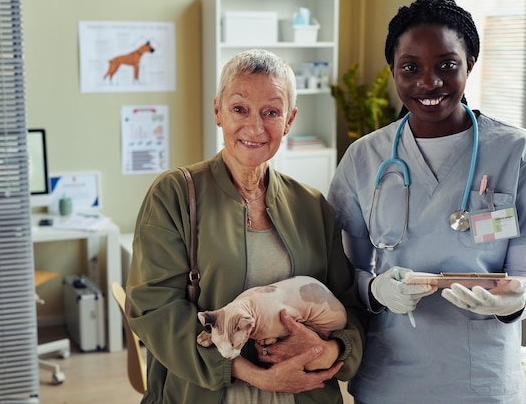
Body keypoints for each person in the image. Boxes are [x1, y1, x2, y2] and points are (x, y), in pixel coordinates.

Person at [328, 0, 526, 404]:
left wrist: (514, 299)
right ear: (393, 71)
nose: (428, 83)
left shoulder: (520, 154)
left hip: (484, 382)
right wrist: (377, 290)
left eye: (447, 65)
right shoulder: (364, 158)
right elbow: (350, 275)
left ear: (469, 65)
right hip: (390, 378)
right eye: (410, 68)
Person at [126, 49, 368, 404]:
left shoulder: (313, 207)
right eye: (239, 109)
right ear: (217, 111)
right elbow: (154, 310)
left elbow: (350, 308)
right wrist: (256, 375)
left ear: (289, 120)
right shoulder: (174, 195)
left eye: (271, 112)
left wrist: (329, 350)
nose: (255, 127)